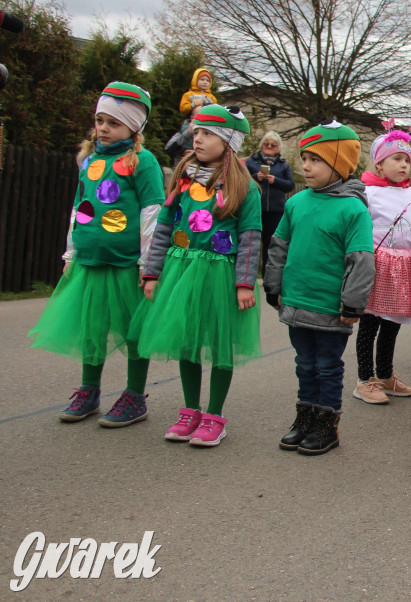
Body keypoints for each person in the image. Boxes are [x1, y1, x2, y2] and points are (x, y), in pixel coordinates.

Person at [30, 82, 165, 426]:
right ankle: (89, 391)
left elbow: (152, 211)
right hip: (89, 260)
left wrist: (147, 263)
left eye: (113, 122)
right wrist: (70, 253)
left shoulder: (143, 161)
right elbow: (79, 208)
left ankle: (135, 396)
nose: (103, 128)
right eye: (100, 120)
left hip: (125, 262)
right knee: (92, 328)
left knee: (133, 330)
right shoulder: (89, 160)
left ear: (134, 128)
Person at [134, 105, 262, 447]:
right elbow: (163, 228)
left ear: (227, 141)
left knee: (220, 344)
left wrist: (245, 283)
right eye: (196, 133)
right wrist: (152, 272)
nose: (198, 138)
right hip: (180, 268)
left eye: (207, 133)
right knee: (187, 341)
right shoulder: (184, 177)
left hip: (218, 273)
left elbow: (251, 236)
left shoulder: (244, 186)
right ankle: (190, 409)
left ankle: (214, 416)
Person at [264, 121, 374, 455]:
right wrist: (273, 284)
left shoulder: (353, 208)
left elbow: (361, 260)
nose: (306, 166)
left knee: (327, 366)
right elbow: (279, 245)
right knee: (304, 363)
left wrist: (353, 305)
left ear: (339, 163)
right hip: (297, 301)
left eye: (315, 159)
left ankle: (327, 424)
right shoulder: (296, 203)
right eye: (304, 158)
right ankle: (305, 417)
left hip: (330, 309)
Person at [352, 124, 411, 405]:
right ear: (379, 163)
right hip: (378, 265)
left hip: (405, 267)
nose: (404, 165)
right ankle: (364, 379)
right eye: (396, 158)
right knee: (370, 323)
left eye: (407, 160)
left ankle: (384, 374)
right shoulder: (367, 193)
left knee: (392, 323)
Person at [245, 131, 295, 274]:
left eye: (273, 145)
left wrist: (275, 180)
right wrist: (256, 177)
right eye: (266, 144)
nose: (269, 147)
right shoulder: (251, 162)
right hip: (255, 208)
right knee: (251, 243)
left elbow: (290, 185)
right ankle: (250, 274)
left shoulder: (283, 165)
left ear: (277, 148)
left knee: (271, 244)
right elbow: (242, 181)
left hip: (275, 210)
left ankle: (268, 275)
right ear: (262, 145)